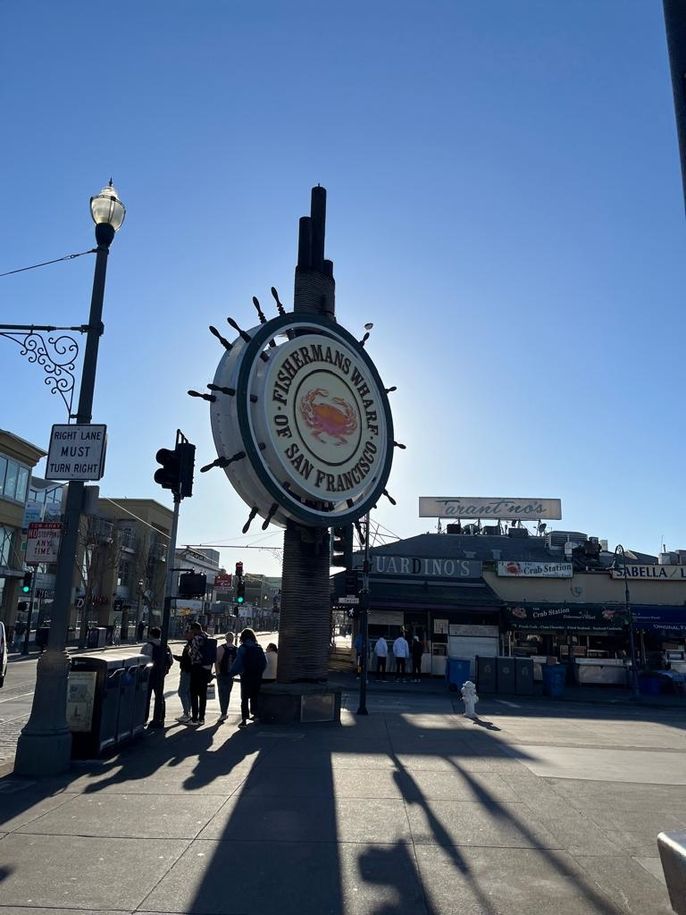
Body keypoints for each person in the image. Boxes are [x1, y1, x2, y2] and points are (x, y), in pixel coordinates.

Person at [229, 627, 266, 727]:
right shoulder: (258, 647)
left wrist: (231, 673)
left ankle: (244, 720)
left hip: (246, 676)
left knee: (244, 698)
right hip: (256, 676)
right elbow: (264, 663)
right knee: (255, 696)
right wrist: (259, 673)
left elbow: (238, 663)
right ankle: (256, 716)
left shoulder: (243, 648)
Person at [141, 626, 173, 726]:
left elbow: (142, 660)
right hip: (160, 674)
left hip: (150, 674)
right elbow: (170, 660)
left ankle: (144, 718)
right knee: (159, 696)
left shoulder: (147, 646)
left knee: (146, 696)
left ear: (151, 634)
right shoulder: (165, 646)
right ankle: (160, 718)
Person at [188, 621, 214, 726]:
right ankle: (201, 718)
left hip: (197, 668)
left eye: (192, 630)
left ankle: (194, 718)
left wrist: (189, 654)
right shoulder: (207, 637)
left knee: (194, 693)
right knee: (203, 695)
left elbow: (193, 653)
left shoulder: (196, 639)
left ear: (195, 629)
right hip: (206, 668)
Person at [215, 631, 237, 722]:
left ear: (225, 638)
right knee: (227, 694)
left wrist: (217, 673)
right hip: (230, 675)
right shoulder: (237, 649)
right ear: (233, 639)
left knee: (221, 693)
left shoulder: (220, 648)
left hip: (221, 674)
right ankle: (225, 712)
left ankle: (223, 713)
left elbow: (216, 662)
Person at [173, 628, 193, 723]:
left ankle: (186, 713)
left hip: (187, 671)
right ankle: (188, 712)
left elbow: (187, 660)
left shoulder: (190, 645)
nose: (185, 635)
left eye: (187, 633)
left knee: (182, 692)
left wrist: (176, 657)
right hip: (190, 671)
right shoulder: (192, 644)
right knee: (188, 692)